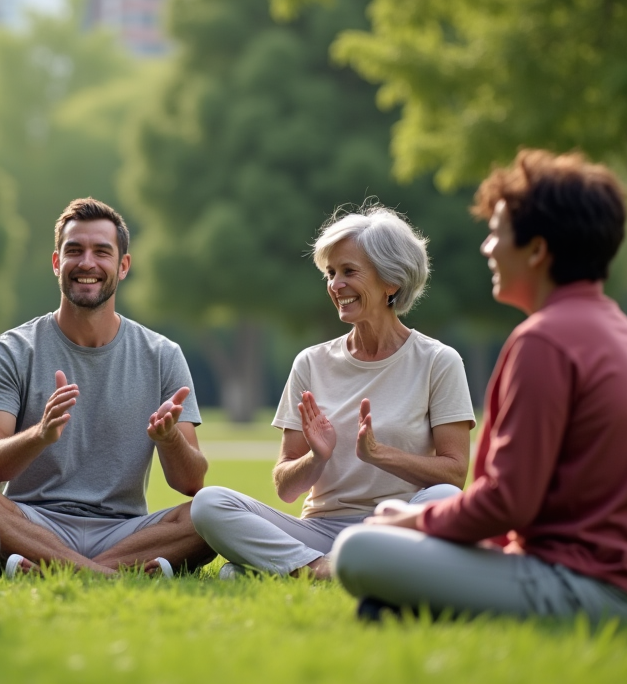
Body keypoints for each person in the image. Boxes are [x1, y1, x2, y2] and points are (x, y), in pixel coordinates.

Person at [333, 150, 627, 621]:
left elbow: (507, 502)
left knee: (358, 549)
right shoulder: (620, 331)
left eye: (497, 233)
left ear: (537, 250)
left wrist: (412, 519)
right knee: (387, 576)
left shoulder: (546, 340)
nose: (487, 248)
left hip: (596, 586)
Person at [191, 205, 475, 578]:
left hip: (393, 526)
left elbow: (454, 474)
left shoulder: (439, 361)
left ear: (391, 282)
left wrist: (380, 455)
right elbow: (285, 487)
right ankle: (319, 569)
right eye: (330, 273)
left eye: (349, 272)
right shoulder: (311, 363)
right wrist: (316, 458)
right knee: (209, 504)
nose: (335, 285)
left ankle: (282, 569)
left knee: (445, 499)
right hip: (319, 531)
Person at [0, 197, 214, 576]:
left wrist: (170, 439)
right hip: (32, 524)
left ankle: (56, 568)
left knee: (214, 509)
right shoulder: (11, 350)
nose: (87, 263)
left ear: (123, 265)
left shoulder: (162, 354)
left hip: (124, 530)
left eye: (102, 252)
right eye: (74, 251)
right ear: (56, 262)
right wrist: (39, 435)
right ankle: (108, 573)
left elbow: (191, 482)